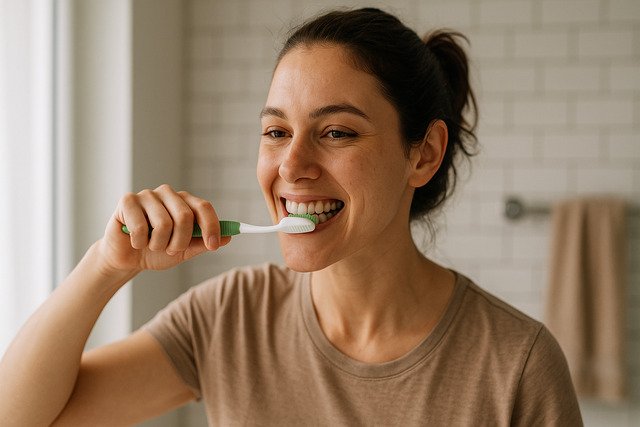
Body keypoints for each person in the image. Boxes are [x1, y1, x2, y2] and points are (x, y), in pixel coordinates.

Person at [0, 7, 582, 426]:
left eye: (336, 132)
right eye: (276, 131)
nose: (292, 164)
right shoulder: (230, 318)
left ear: (422, 153)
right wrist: (105, 265)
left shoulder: (516, 366)